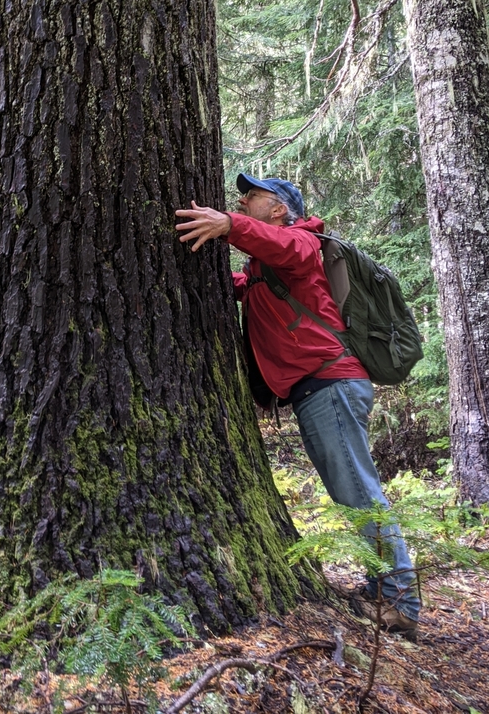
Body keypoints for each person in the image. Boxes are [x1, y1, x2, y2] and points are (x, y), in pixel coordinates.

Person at [175, 174, 420, 638]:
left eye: (254, 197)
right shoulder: (265, 271)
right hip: (321, 390)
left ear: (279, 210)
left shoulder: (303, 243)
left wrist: (229, 223)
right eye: (241, 196)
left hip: (331, 385)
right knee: (353, 491)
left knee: (358, 494)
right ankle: (382, 588)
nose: (242, 199)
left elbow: (286, 249)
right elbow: (246, 286)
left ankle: (401, 601)